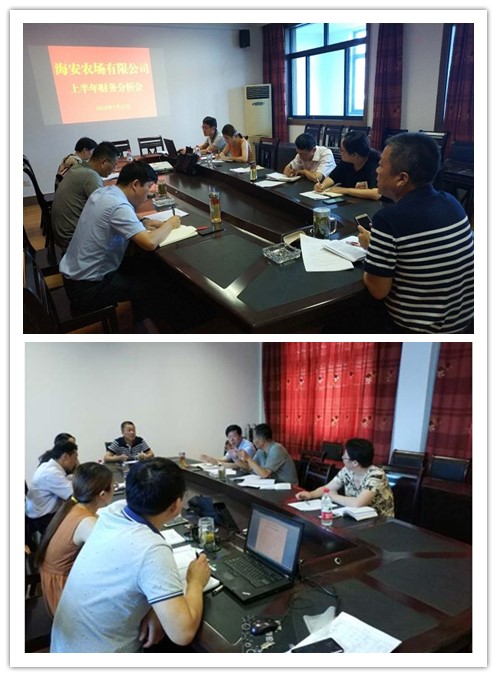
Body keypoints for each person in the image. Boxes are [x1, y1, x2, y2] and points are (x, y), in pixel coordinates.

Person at [50, 458, 211, 652]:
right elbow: (182, 633)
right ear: (177, 505)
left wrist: (155, 606)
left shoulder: (111, 511)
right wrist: (195, 582)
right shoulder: (151, 549)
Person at [357, 132, 474, 333]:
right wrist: (377, 246)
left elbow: (378, 290)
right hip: (463, 323)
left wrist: (372, 250)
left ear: (402, 179)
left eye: (381, 165)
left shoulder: (389, 220)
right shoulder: (452, 203)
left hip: (419, 330)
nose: (376, 170)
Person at [59, 160, 181, 322]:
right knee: (153, 283)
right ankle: (144, 327)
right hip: (89, 288)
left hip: (74, 277)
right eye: (149, 186)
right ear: (135, 184)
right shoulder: (119, 206)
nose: (149, 193)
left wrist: (143, 222)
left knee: (144, 264)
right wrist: (170, 223)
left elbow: (114, 219)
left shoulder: (103, 193)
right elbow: (150, 243)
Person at [35, 462, 115, 616]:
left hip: (54, 579)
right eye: (113, 487)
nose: (114, 489)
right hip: (62, 590)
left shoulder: (74, 506)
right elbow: (109, 558)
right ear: (102, 495)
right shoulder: (87, 522)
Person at [296, 438, 394, 517]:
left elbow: (358, 503)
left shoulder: (376, 475)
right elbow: (328, 488)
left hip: (379, 521)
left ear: (355, 463)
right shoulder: (347, 471)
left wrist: (332, 496)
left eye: (345, 457)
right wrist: (311, 494)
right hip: (355, 516)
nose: (342, 458)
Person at [52, 141, 121, 250]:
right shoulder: (90, 176)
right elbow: (105, 210)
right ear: (104, 162)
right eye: (114, 165)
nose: (114, 170)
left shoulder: (79, 167)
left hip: (62, 234)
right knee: (125, 238)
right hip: (72, 240)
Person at [25, 441, 79, 536]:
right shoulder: (52, 473)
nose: (75, 462)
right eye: (74, 458)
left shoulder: (47, 466)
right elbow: (75, 495)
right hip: (44, 518)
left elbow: (65, 480)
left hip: (40, 513)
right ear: (65, 456)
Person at [314, 131, 382, 200]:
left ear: (354, 155)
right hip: (348, 201)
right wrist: (322, 186)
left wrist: (345, 190)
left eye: (342, 151)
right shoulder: (346, 161)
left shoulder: (374, 164)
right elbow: (332, 177)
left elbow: (376, 194)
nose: (340, 153)